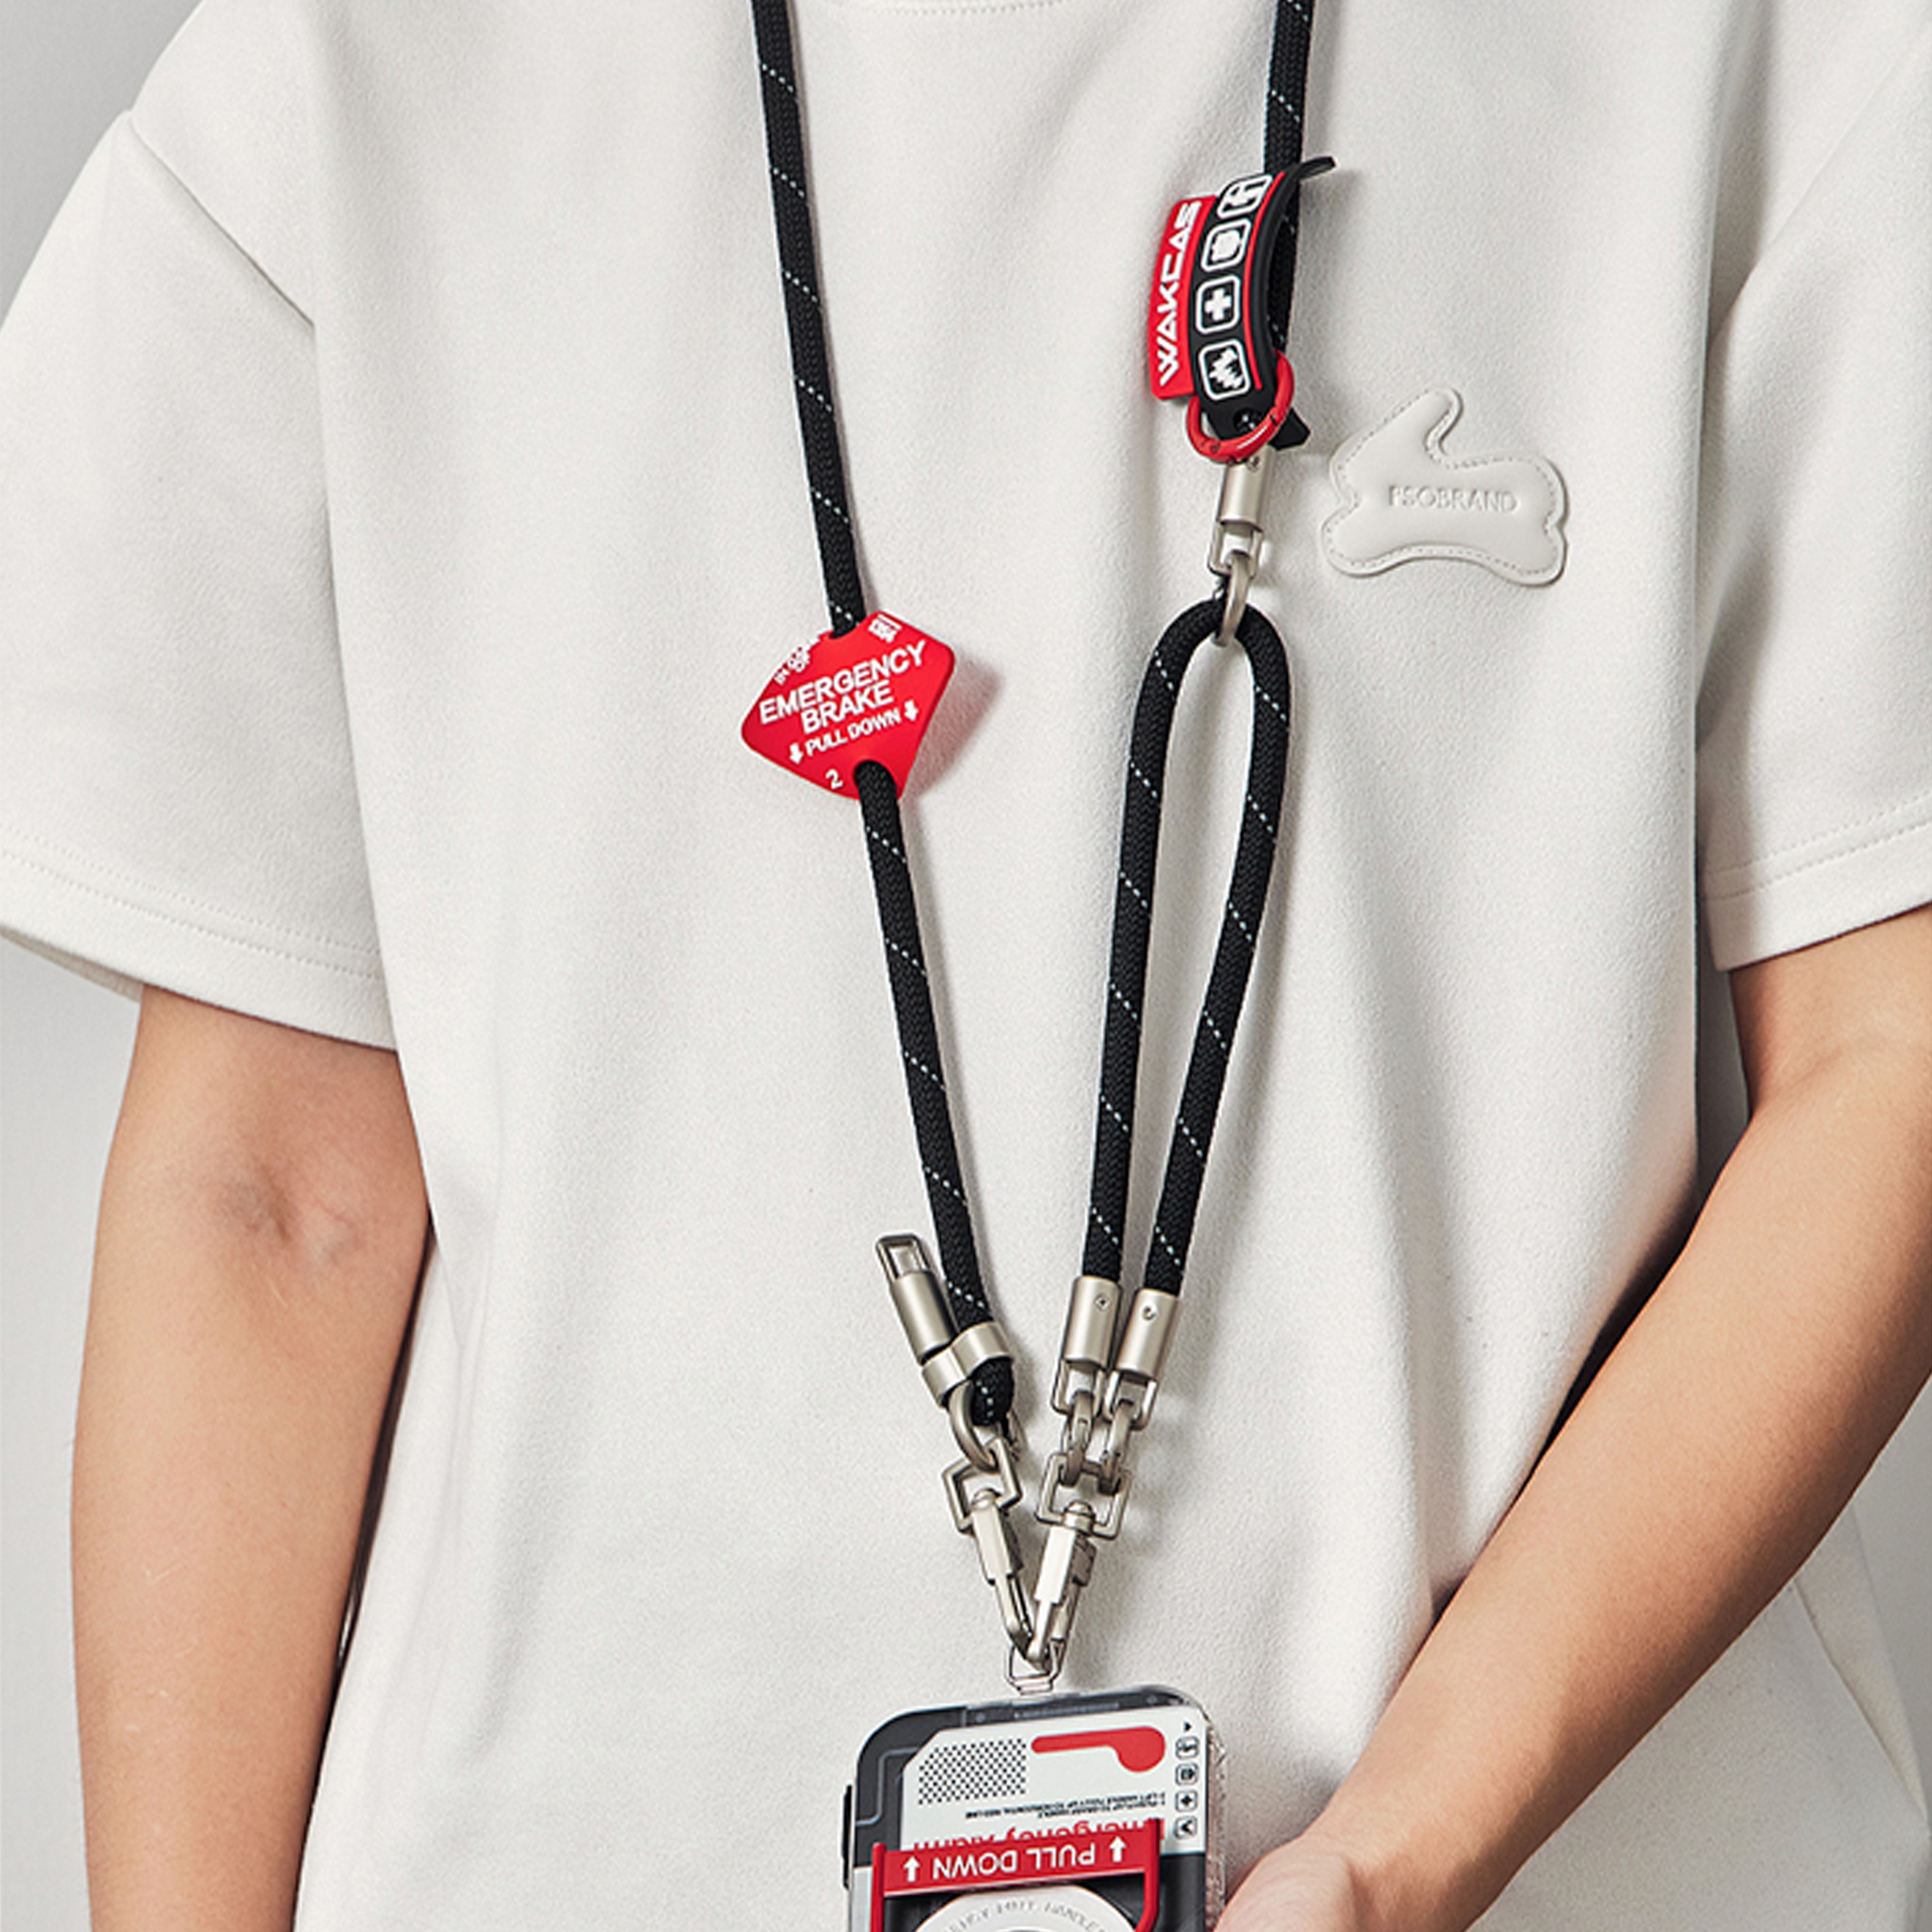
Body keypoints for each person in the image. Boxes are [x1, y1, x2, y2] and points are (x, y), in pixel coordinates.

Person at [2, 1, 1928, 1928]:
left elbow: (1887, 1060)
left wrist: (1400, 1852)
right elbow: (274, 1195)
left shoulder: (1760, 50)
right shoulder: (351, 70)